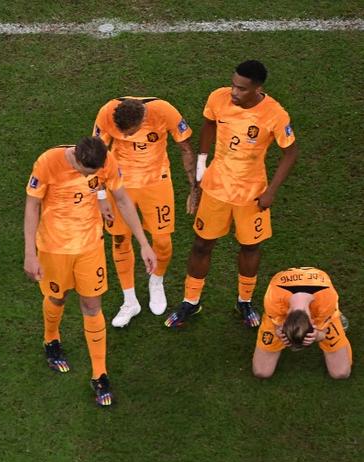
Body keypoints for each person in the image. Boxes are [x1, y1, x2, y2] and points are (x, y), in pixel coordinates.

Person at [24, 137, 156, 406]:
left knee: (92, 305)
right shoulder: (48, 162)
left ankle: (100, 374)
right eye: (89, 172)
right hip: (53, 248)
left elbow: (122, 198)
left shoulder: (105, 162)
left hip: (90, 247)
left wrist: (143, 243)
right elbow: (32, 205)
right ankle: (51, 340)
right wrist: (30, 253)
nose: (93, 176)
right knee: (57, 298)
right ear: (79, 159)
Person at [166, 60, 299, 328]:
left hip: (251, 194)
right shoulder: (218, 98)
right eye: (232, 85)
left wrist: (271, 191)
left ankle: (244, 301)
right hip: (215, 188)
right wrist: (201, 170)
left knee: (250, 246)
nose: (233, 92)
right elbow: (208, 125)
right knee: (202, 244)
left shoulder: (275, 114)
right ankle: (190, 301)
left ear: (257, 88)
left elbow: (291, 152)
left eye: (241, 89)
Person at [92, 96, 197, 326]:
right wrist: (100, 196)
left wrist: (193, 188)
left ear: (142, 119)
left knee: (162, 241)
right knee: (120, 239)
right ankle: (130, 300)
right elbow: (96, 155)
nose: (127, 137)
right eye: (124, 134)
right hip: (119, 186)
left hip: (156, 183)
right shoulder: (107, 112)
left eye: (130, 132)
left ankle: (156, 280)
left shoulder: (164, 111)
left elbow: (186, 147)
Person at [252, 268, 352, 379]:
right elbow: (277, 324)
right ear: (285, 318)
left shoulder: (327, 301)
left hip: (323, 306)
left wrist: (318, 335)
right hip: (280, 309)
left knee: (341, 373)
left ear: (312, 321)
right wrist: (278, 331)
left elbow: (322, 332)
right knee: (261, 372)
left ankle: (335, 314)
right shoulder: (273, 300)